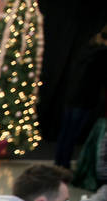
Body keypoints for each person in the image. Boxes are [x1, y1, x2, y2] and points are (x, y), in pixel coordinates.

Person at [54, 27, 107, 168]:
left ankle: (59, 161)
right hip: (84, 100)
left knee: (65, 132)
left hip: (72, 97)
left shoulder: (85, 51)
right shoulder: (101, 55)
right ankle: (64, 164)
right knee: (71, 134)